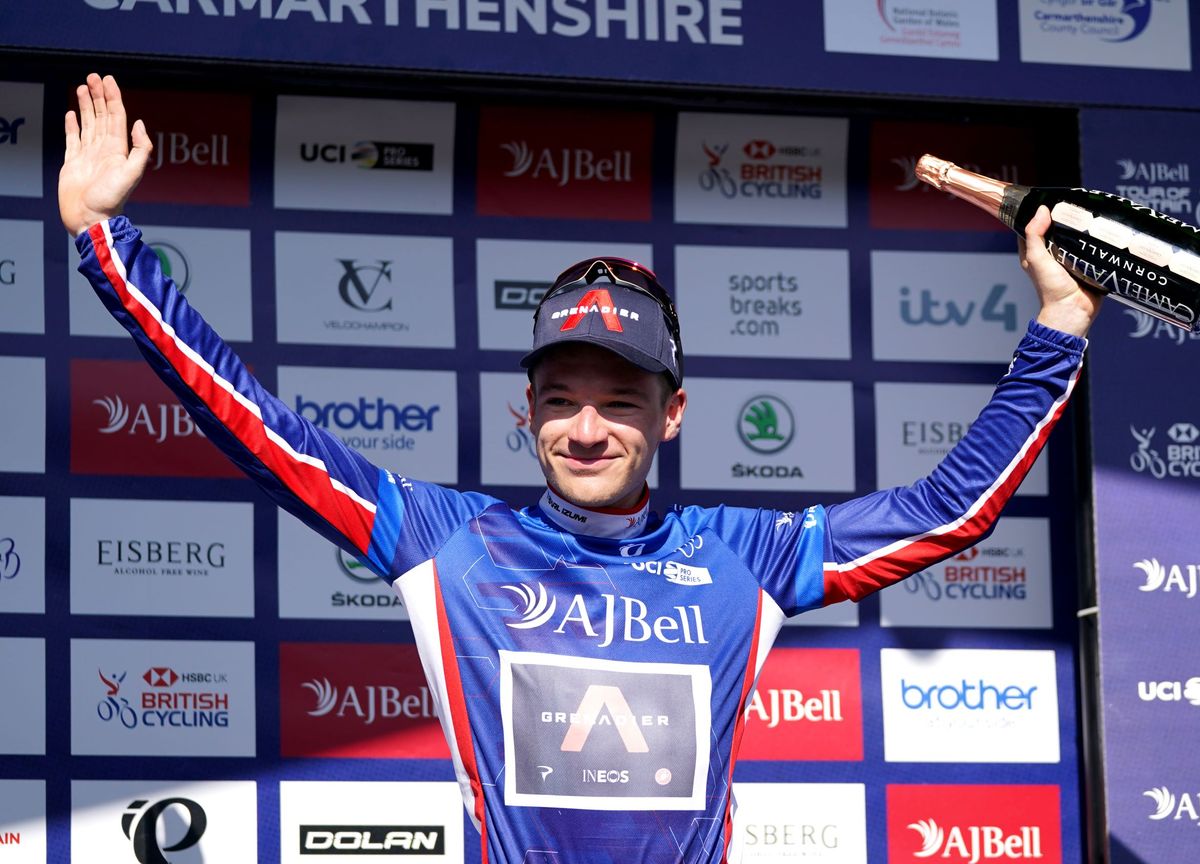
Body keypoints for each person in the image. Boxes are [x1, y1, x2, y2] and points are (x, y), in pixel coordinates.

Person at [62, 72, 1101, 863]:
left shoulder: (741, 555)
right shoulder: (446, 542)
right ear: (527, 414)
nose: (586, 428)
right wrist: (104, 242)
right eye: (560, 400)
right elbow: (251, 422)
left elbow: (949, 509)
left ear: (674, 412)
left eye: (620, 398)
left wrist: (1057, 322)